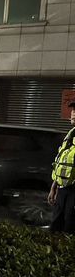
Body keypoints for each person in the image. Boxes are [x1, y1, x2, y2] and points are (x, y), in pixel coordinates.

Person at [47, 100, 75, 234]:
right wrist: (54, 187)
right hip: (63, 190)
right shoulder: (70, 135)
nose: (73, 114)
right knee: (56, 226)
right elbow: (61, 163)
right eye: (73, 110)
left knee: (69, 227)